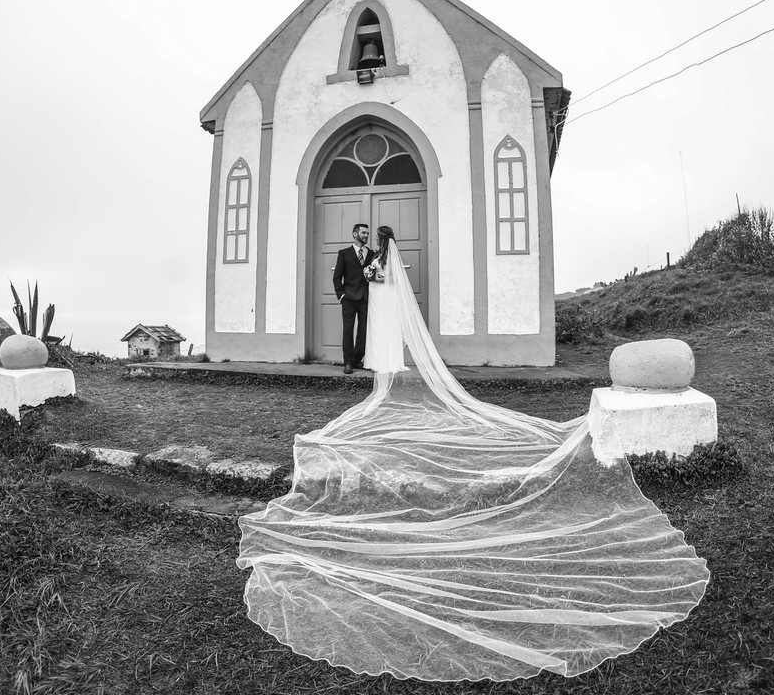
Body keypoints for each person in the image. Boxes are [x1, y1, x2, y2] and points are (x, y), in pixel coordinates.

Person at [238, 232, 711, 681]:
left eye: (372, 236)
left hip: (378, 301)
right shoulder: (363, 256)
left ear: (378, 240)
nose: (370, 240)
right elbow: (362, 275)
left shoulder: (381, 257)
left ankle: (377, 361)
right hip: (363, 299)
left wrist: (376, 274)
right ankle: (362, 359)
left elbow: (383, 276)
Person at [331, 223, 375, 375]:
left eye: (368, 233)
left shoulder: (371, 254)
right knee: (348, 331)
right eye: (363, 233)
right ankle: (348, 362)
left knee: (364, 331)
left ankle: (357, 359)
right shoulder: (344, 253)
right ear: (355, 234)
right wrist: (341, 295)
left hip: (365, 298)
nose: (366, 236)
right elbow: (337, 277)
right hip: (349, 298)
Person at [361, 225, 405, 374]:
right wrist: (369, 275)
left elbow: (395, 277)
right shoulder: (378, 253)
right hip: (375, 295)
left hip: (385, 294)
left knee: (385, 325)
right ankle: (375, 360)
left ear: (382, 237)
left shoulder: (391, 254)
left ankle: (386, 362)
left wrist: (376, 279)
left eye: (376, 235)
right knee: (376, 325)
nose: (374, 237)